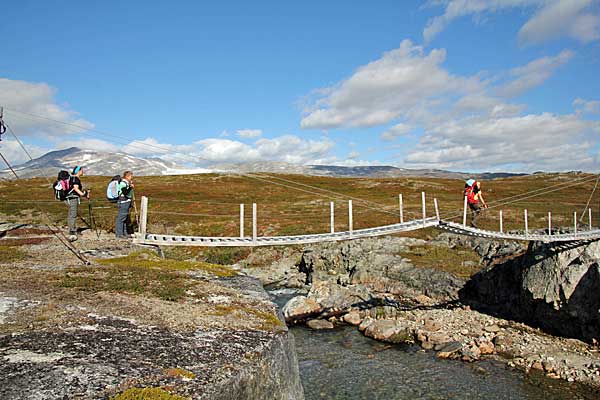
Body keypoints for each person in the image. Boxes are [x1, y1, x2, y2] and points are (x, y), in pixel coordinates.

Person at [65, 166, 90, 241]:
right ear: (78, 171)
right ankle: (72, 231)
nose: (83, 171)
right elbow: (76, 188)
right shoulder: (76, 179)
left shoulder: (72, 178)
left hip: (70, 198)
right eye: (82, 170)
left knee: (70, 214)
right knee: (73, 214)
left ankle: (71, 228)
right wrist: (83, 194)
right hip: (73, 198)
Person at [115, 170, 135, 238]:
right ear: (127, 176)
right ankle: (119, 234)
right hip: (123, 202)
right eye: (131, 176)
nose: (131, 178)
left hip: (126, 202)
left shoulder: (126, 183)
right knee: (121, 218)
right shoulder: (123, 183)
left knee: (125, 218)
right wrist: (130, 187)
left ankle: (124, 233)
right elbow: (125, 192)